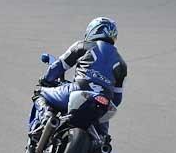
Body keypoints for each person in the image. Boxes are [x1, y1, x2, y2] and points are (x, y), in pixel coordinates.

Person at [30, 16, 127, 145]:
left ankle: (45, 118)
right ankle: (100, 142)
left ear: (93, 30)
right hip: (103, 101)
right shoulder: (122, 64)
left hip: (77, 89)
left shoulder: (83, 46)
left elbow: (58, 66)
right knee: (102, 138)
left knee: (40, 93)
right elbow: (117, 99)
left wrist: (46, 80)